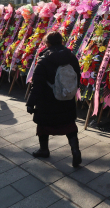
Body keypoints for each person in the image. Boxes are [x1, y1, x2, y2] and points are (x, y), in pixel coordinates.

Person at [26, 31, 82, 167]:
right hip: (66, 99)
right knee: (69, 125)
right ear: (61, 42)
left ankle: (44, 150)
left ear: (48, 44)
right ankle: (75, 150)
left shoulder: (44, 60)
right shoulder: (71, 57)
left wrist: (30, 103)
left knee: (43, 125)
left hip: (47, 101)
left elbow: (37, 84)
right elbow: (77, 78)